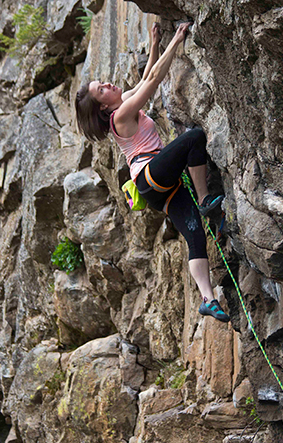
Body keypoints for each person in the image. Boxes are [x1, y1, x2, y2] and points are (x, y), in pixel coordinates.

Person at [75, 21, 230, 323]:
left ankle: (207, 299)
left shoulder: (122, 105)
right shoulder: (120, 116)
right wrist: (177, 39)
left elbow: (147, 75)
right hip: (150, 176)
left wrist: (155, 41)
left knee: (195, 237)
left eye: (103, 82)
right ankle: (204, 199)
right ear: (103, 107)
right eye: (101, 89)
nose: (107, 84)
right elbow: (155, 80)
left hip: (160, 191)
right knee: (194, 138)